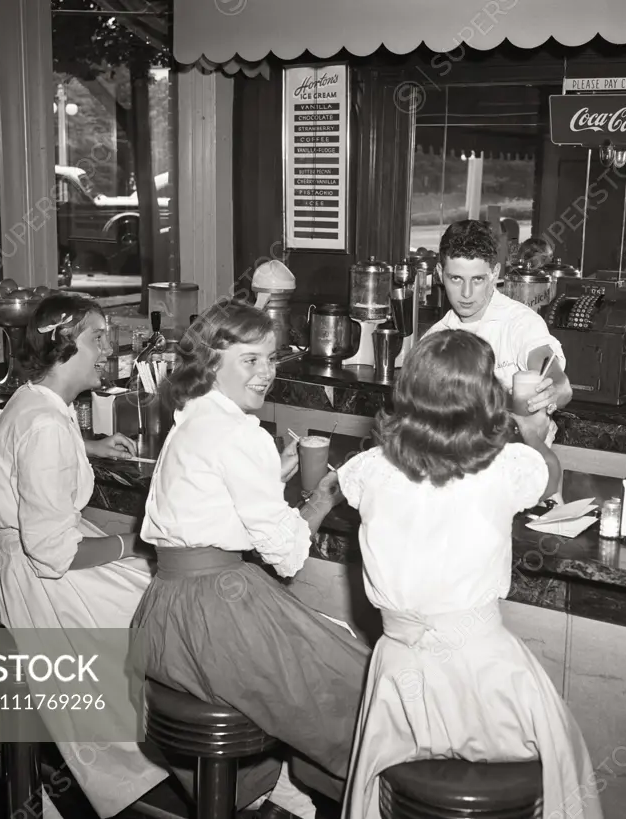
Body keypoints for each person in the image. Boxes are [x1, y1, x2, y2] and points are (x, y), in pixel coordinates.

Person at [337, 330, 602, 819]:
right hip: (484, 680)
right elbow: (550, 476)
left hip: (399, 685)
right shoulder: (505, 467)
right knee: (566, 760)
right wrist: (531, 430)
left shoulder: (368, 470)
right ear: (485, 398)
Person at [132, 301, 370, 819]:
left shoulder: (190, 418)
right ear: (212, 362)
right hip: (215, 613)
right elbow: (286, 556)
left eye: (271, 359)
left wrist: (272, 479)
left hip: (166, 613)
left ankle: (279, 794)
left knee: (332, 651)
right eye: (250, 360)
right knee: (365, 682)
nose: (267, 374)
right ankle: (359, 795)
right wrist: (322, 499)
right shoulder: (242, 433)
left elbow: (213, 504)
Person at [0, 292, 169, 818]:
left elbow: (29, 439)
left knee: (156, 600)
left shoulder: (38, 402)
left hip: (41, 558)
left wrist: (89, 446)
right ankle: (177, 760)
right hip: (39, 581)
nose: (108, 347)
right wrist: (135, 544)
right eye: (97, 337)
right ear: (63, 346)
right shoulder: (43, 424)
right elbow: (53, 553)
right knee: (161, 621)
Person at [423, 220, 571, 439]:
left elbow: (554, 376)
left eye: (478, 280)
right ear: (439, 273)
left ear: (494, 274)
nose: (466, 293)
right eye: (456, 279)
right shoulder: (435, 338)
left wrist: (555, 390)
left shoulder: (519, 322)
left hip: (520, 461)